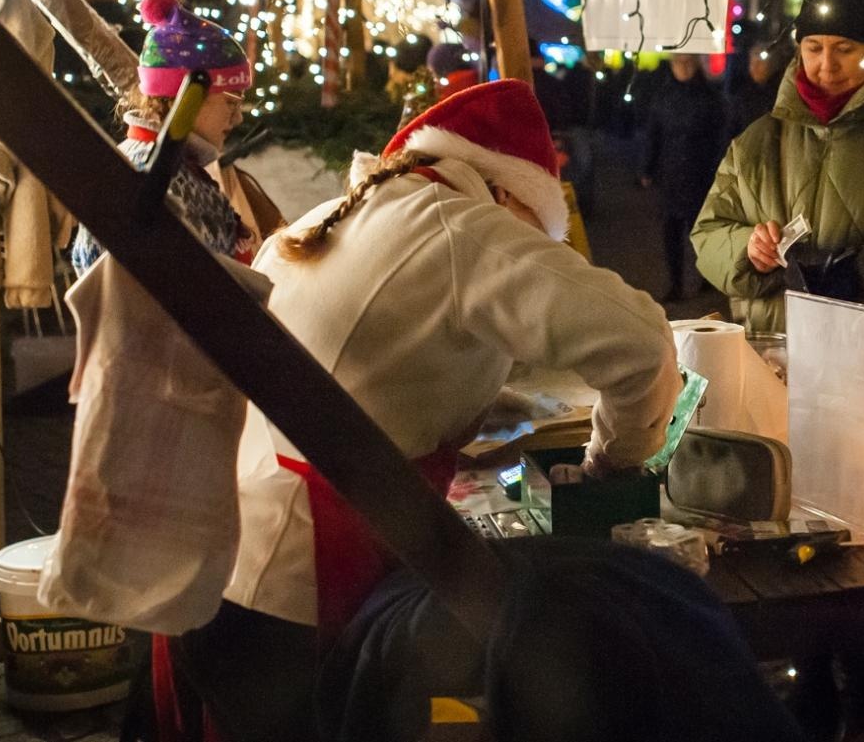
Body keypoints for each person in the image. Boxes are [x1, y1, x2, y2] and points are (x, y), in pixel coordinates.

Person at [167, 79, 683, 742]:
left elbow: (389, 369)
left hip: (228, 566)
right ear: (508, 194)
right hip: (298, 584)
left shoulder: (354, 210)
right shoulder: (460, 227)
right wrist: (614, 463)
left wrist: (506, 413)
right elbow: (641, 343)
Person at [693, 0, 864, 424]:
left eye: (845, 48)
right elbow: (707, 235)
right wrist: (748, 249)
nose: (826, 65)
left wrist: (854, 273)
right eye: (814, 47)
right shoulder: (759, 140)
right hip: (769, 374)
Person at [71, 0, 253, 274]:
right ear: (187, 95)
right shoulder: (160, 176)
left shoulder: (174, 166)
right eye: (231, 103)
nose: (238, 117)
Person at [643, 53, 725, 302]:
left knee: (699, 229)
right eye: (679, 63)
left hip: (700, 172)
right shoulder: (663, 97)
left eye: (688, 63)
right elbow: (654, 134)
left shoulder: (710, 97)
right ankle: (675, 282)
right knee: (670, 231)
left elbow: (718, 137)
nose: (684, 68)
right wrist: (648, 168)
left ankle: (707, 276)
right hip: (670, 173)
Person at [725, 38, 780, 137]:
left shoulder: (780, 95)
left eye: (760, 62)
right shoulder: (742, 95)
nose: (755, 66)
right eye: (752, 61)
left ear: (774, 63)